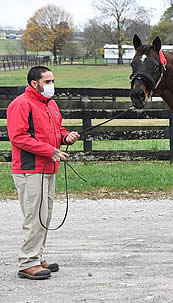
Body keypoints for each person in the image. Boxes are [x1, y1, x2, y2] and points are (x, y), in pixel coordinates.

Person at [7, 66, 80, 280]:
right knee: (34, 216)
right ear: (34, 84)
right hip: (30, 169)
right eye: (47, 82)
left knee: (44, 216)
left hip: (48, 166)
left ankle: (37, 257)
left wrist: (66, 138)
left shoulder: (51, 104)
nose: (51, 85)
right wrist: (50, 151)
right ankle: (27, 262)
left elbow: (57, 130)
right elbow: (18, 137)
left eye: (52, 80)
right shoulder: (20, 105)